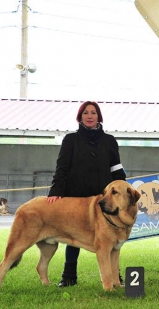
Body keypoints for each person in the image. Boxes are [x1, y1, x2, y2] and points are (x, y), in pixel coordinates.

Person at [47, 101, 126, 288]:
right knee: (73, 239)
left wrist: (124, 188)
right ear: (80, 117)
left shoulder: (110, 140)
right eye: (85, 113)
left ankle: (116, 277)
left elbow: (116, 168)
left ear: (99, 116)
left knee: (112, 239)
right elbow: (62, 168)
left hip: (103, 199)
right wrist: (56, 191)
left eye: (93, 113)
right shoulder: (70, 140)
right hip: (75, 197)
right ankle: (69, 276)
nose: (89, 116)